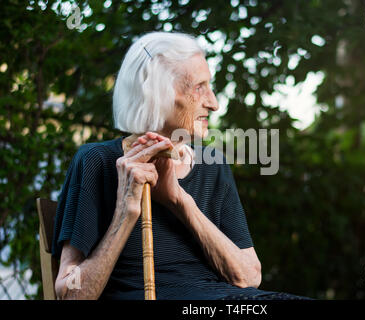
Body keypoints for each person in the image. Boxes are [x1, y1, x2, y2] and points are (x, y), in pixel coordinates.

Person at [52, 31, 307, 300]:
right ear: (158, 92)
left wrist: (179, 201)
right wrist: (126, 210)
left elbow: (249, 277)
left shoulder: (213, 166)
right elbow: (71, 294)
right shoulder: (98, 162)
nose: (214, 103)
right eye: (200, 87)